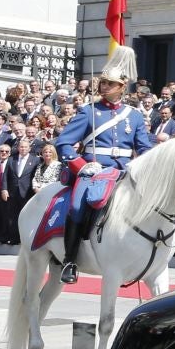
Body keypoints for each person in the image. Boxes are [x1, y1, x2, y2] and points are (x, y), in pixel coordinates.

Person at [53, 45, 154, 284]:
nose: (104, 87)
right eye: (103, 83)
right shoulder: (88, 112)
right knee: (78, 207)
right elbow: (64, 143)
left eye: (109, 84)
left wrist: (146, 164)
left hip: (122, 171)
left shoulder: (134, 115)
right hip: (93, 171)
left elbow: (144, 148)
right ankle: (69, 260)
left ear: (121, 87)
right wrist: (81, 165)